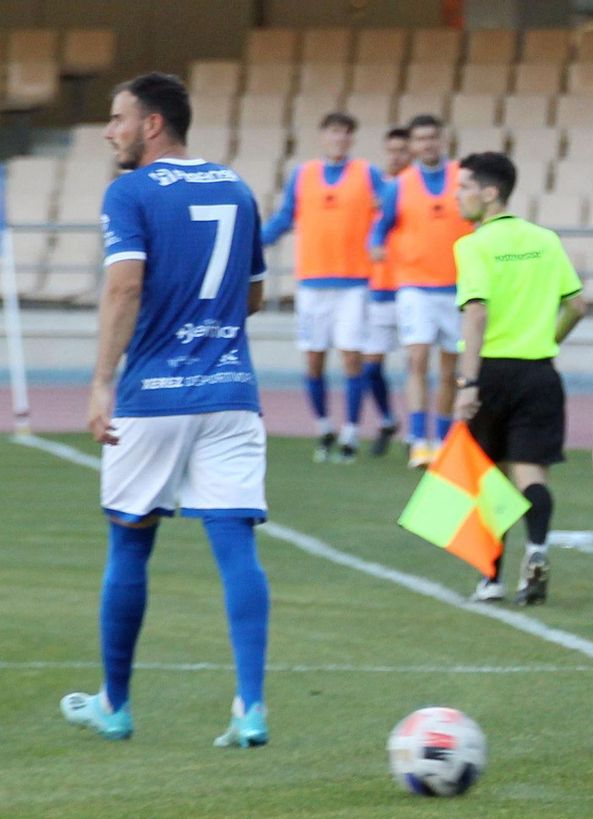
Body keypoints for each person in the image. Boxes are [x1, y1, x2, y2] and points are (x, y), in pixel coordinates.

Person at [62, 72, 273, 748]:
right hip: (232, 391)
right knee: (236, 546)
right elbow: (254, 297)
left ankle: (116, 706)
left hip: (152, 396)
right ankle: (251, 709)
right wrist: (206, 324)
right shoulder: (237, 187)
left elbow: (124, 288)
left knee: (130, 541)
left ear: (153, 124)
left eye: (117, 118)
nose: (108, 131)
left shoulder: (130, 192)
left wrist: (101, 382)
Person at [451, 151, 588, 606]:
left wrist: (467, 384)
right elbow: (578, 305)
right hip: (538, 370)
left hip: (490, 371)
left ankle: (490, 580)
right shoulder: (545, 239)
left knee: (486, 478)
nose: (457, 196)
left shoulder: (472, 244)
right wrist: (545, 340)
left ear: (490, 193)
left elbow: (476, 312)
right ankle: (537, 551)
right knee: (532, 473)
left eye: (464, 187)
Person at [262, 111, 385, 462]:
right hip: (313, 281)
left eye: (346, 133)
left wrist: (381, 235)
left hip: (354, 282)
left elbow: (389, 209)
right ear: (323, 136)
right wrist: (255, 240)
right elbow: (285, 216)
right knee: (314, 359)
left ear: (352, 139)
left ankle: (349, 432)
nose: (339, 139)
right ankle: (323, 425)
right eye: (334, 132)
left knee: (351, 356)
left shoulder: (367, 174)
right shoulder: (303, 175)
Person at [370, 114, 473, 468]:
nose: (427, 144)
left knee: (449, 369)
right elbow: (380, 226)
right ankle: (418, 439)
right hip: (414, 285)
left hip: (457, 286)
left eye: (432, 137)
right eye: (420, 139)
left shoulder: (463, 177)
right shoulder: (399, 186)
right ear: (413, 145)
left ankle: (443, 440)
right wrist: (376, 245)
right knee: (416, 359)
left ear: (443, 139)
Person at [359, 126, 414, 457]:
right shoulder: (375, 188)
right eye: (391, 150)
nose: (397, 156)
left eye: (402, 151)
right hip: (380, 286)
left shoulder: (417, 190)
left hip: (410, 285)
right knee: (371, 366)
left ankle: (416, 433)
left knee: (414, 364)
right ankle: (386, 419)